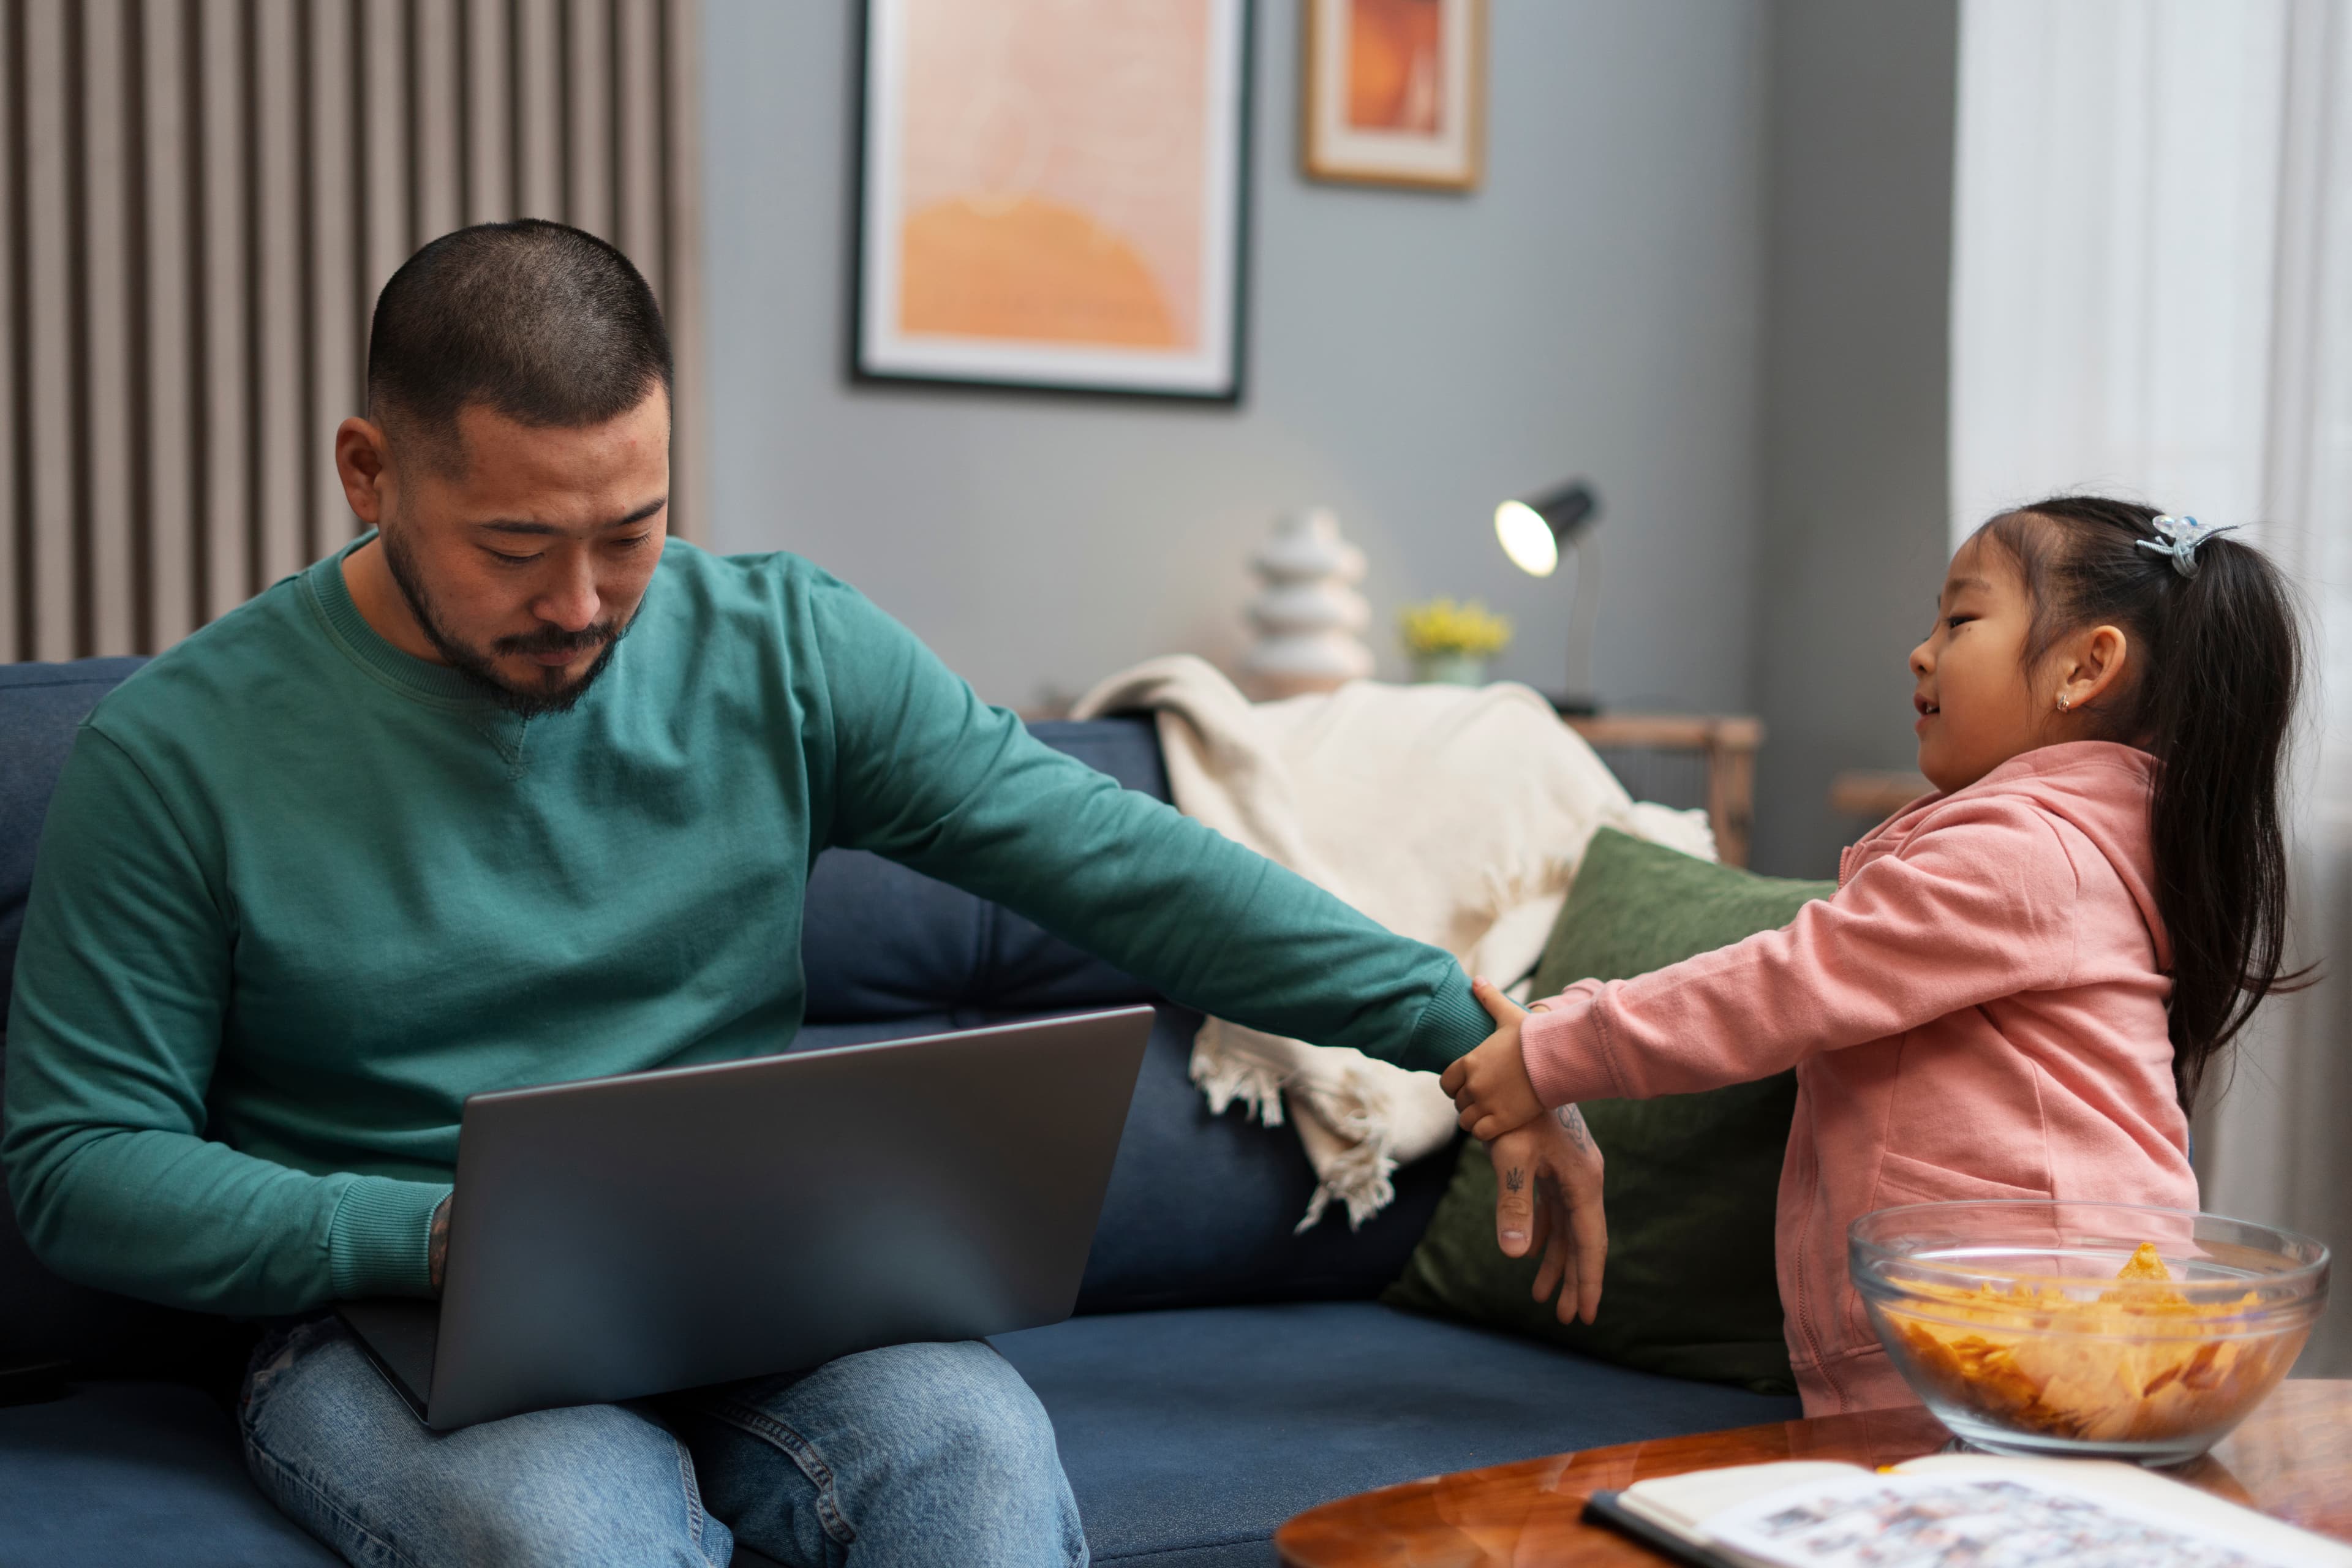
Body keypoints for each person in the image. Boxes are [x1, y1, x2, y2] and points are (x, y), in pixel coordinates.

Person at [0, 220, 1602, 1568]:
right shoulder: (186, 752)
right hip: (385, 1306)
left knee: (975, 1459)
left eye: (630, 534)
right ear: (369, 471)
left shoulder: (776, 649)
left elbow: (1123, 865)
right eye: (514, 547)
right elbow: (80, 1162)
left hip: (748, 1285)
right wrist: (431, 1234)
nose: (581, 607)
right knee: (576, 1531)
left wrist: (1477, 1040)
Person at [1442, 495, 2306, 1415]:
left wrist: (1554, 1048)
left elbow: (1788, 984)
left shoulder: (2024, 859)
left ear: (2084, 668)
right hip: (2002, 1335)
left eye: (1961, 618)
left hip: (2022, 1337)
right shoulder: (2054, 848)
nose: (1921, 650)